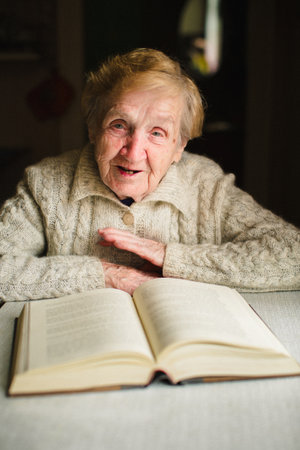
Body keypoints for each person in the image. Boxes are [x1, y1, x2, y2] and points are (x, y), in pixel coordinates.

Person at [0, 48, 299, 302]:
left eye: (157, 132)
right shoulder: (47, 184)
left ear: (179, 145)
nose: (132, 152)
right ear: (93, 129)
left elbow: (293, 254)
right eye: (119, 125)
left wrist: (171, 257)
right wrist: (105, 274)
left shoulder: (206, 187)